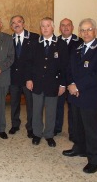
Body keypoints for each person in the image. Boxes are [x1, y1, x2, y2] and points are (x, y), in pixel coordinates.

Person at [63, 18, 97, 174]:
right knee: (76, 126)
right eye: (83, 30)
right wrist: (70, 84)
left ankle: (95, 159)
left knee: (93, 130)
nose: (86, 33)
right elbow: (69, 69)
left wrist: (77, 85)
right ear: (79, 32)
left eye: (89, 29)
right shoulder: (76, 49)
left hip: (91, 98)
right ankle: (79, 148)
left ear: (95, 31)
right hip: (75, 96)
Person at [27, 17, 68, 147]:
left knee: (51, 111)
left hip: (53, 84)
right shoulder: (34, 43)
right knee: (36, 110)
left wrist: (62, 84)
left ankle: (49, 135)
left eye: (48, 26)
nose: (45, 28)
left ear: (53, 28)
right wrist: (28, 79)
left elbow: (64, 66)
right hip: (37, 83)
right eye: (43, 26)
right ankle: (37, 134)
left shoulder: (60, 44)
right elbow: (28, 63)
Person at [8, 15, 39, 138]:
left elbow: (36, 60)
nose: (17, 24)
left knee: (31, 104)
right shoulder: (8, 39)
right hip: (14, 78)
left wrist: (30, 78)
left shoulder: (35, 37)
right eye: (14, 23)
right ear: (11, 26)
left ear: (24, 23)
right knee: (14, 102)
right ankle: (15, 124)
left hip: (29, 78)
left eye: (19, 22)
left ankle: (30, 127)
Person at [54, 18, 82, 141]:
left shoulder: (80, 42)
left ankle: (73, 132)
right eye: (63, 25)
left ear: (72, 27)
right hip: (59, 80)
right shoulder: (55, 41)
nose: (65, 27)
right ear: (59, 28)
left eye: (68, 25)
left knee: (73, 108)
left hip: (73, 81)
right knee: (57, 105)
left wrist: (74, 82)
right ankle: (56, 128)